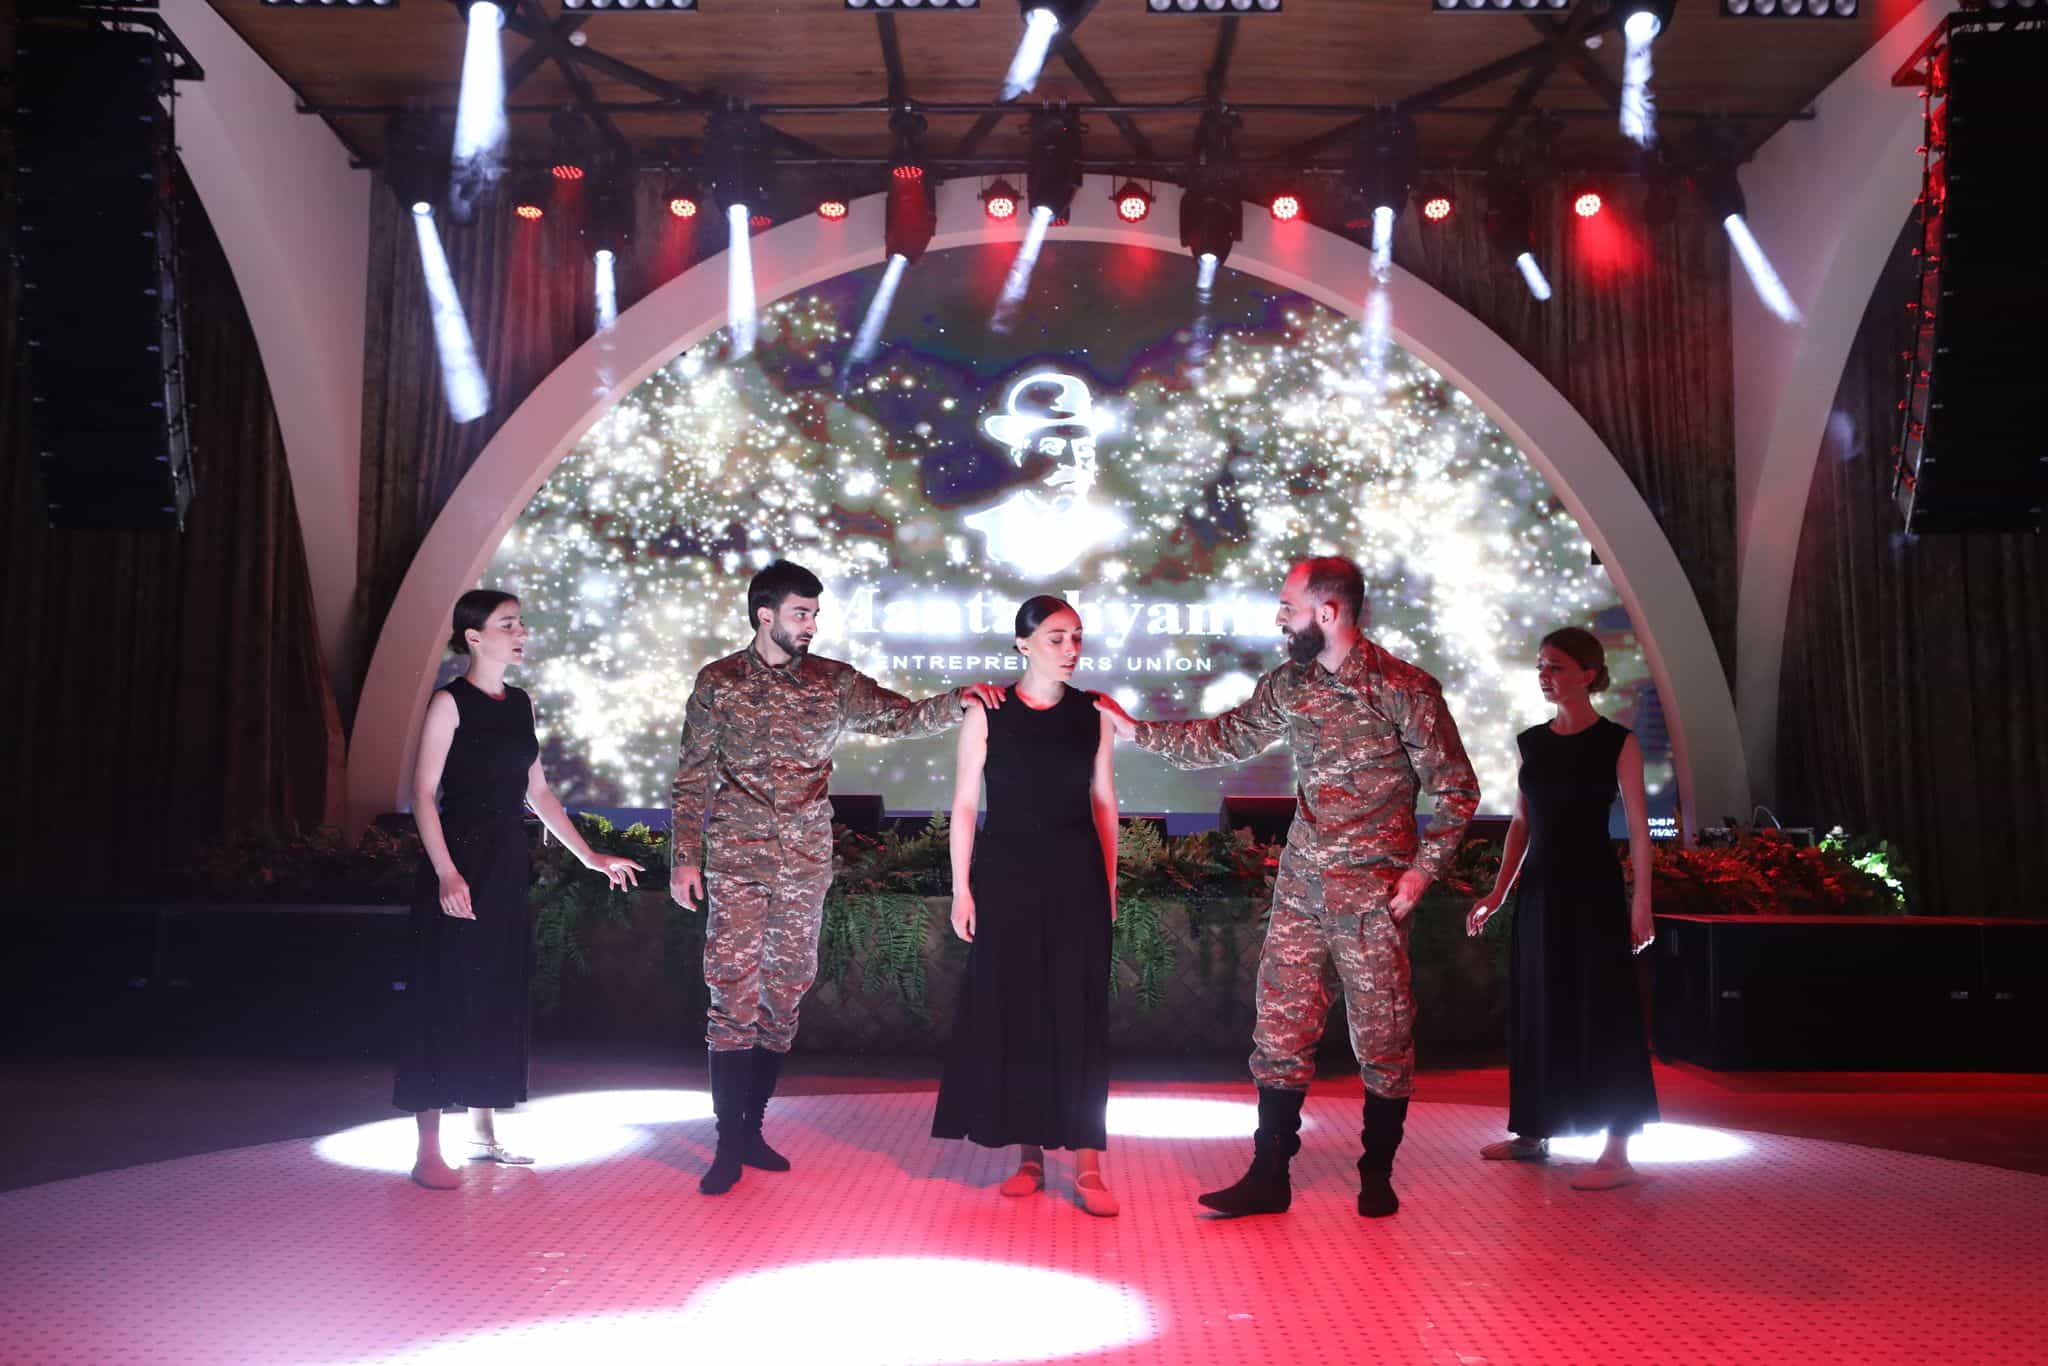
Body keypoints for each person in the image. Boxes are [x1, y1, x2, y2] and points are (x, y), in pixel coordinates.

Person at [1097, 556, 1479, 1219]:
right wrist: (1135, 731)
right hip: (1303, 887)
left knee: (1383, 1037)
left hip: (1373, 896)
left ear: (1327, 613)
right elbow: (1225, 738)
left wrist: (1423, 872)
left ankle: (1376, 1173)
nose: (1279, 618)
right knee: (1279, 1032)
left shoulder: (1404, 689)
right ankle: (1269, 1175)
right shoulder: (1289, 684)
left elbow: (1456, 790)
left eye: (1287, 606)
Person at [670, 560, 1005, 1196]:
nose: (811, 626)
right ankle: (727, 1141)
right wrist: (685, 857)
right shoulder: (718, 681)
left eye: (815, 615)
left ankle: (752, 1127)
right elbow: (692, 776)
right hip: (738, 859)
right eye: (800, 613)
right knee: (731, 995)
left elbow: (901, 718)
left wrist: (959, 699)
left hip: (803, 864)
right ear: (764, 614)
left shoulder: (833, 681)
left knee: (784, 995)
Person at [396, 590, 645, 1190]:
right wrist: (446, 872)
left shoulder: (521, 704)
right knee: (444, 994)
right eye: (508, 624)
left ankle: (482, 1135)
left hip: (507, 862)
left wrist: (590, 856)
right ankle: (428, 1150)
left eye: (521, 623)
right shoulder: (449, 703)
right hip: (459, 859)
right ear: (474, 636)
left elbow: (539, 791)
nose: (521, 633)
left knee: (494, 992)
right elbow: (424, 794)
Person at [932, 597, 1121, 1217]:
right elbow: (965, 803)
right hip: (1007, 876)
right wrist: (962, 887)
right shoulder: (988, 712)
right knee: (1019, 1009)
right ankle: (1029, 1156)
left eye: (1077, 637)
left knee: (1080, 1009)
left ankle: (1089, 1164)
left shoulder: (1094, 712)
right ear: (1023, 643)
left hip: (1076, 875)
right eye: (1056, 637)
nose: (1071, 649)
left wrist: (1109, 883)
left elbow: (1104, 802)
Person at [1466, 626, 1659, 1190]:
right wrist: (1498, 893)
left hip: (1594, 892)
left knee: (1605, 1010)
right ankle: (1534, 1130)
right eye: (1540, 667)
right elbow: (1521, 823)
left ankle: (1618, 1151)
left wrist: (1641, 904)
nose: (1544, 676)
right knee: (1537, 1006)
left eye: (1555, 666)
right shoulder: (1532, 742)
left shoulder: (1617, 742)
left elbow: (1639, 831)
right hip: (1540, 894)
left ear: (1588, 674)